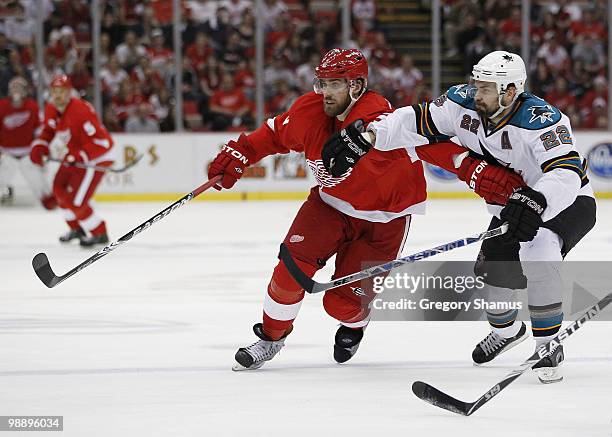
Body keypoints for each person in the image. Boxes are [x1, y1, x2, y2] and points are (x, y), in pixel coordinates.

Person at [207, 48, 524, 371]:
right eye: (322, 83)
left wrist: (476, 170)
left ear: (357, 85)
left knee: (340, 306)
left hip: (385, 220)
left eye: (334, 85)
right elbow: (274, 135)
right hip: (329, 205)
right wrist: (240, 153)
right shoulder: (309, 111)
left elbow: (434, 147)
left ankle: (357, 322)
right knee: (288, 274)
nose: (325, 92)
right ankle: (271, 339)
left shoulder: (381, 122)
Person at [322, 51, 596, 383]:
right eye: (476, 85)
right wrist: (369, 135)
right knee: (492, 270)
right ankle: (508, 330)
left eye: (485, 88)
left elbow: (565, 171)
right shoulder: (463, 103)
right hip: (515, 204)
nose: (476, 93)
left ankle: (547, 345)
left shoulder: (542, 120)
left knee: (539, 253)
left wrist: (539, 198)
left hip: (565, 201)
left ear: (510, 91)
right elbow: (414, 120)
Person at [29, 75, 115, 247]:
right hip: (74, 156)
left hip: (95, 158)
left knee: (77, 201)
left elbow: (104, 143)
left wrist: (79, 156)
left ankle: (99, 232)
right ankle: (76, 228)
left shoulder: (80, 110)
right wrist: (40, 145)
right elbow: (48, 130)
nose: (57, 95)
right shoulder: (51, 108)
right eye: (54, 91)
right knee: (58, 188)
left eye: (61, 91)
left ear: (69, 92)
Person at [0, 77, 56, 209]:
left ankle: (48, 200)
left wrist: (41, 146)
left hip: (27, 152)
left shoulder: (32, 106)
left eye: (19, 87)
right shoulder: (2, 106)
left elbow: (39, 130)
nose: (16, 90)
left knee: (37, 179)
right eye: (14, 87)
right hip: (6, 153)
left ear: (25, 90)